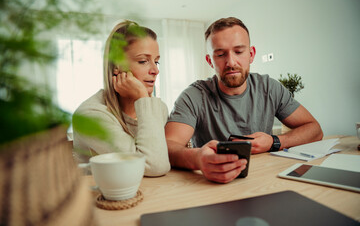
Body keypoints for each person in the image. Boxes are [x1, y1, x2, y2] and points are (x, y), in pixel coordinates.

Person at [165, 17, 323, 183]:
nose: (231, 62)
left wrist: (274, 142)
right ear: (210, 61)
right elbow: (168, 146)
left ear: (251, 54)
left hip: (263, 183)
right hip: (213, 187)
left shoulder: (269, 88)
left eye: (239, 52)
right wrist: (197, 158)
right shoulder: (194, 95)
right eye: (220, 54)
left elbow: (315, 129)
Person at [73, 21, 170, 177]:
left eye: (156, 61)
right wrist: (142, 97)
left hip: (150, 194)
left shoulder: (158, 109)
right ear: (117, 65)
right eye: (143, 61)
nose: (155, 70)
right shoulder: (90, 115)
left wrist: (143, 99)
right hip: (102, 198)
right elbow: (154, 166)